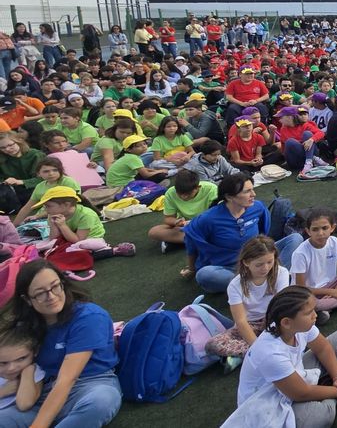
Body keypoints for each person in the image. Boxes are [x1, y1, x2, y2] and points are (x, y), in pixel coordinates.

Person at [0, 260, 122, 426]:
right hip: (43, 390)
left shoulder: (88, 317)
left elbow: (67, 380)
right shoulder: (27, 323)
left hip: (90, 385)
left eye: (55, 286)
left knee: (101, 402)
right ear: (27, 299)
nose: (51, 296)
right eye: (40, 293)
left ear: (62, 284)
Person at [231, 286, 337, 427]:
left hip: (293, 378)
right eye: (309, 312)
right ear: (286, 322)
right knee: (323, 415)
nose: (315, 315)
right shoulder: (270, 354)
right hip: (268, 403)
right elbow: (301, 393)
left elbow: (323, 348)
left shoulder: (296, 327)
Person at [183, 172, 302, 293]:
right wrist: (192, 269)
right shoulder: (208, 218)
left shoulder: (258, 207)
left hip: (260, 260)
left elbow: (263, 234)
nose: (253, 194)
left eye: (252, 189)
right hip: (230, 268)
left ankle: (264, 280)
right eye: (247, 191)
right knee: (204, 275)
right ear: (229, 197)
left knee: (295, 238)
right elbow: (191, 240)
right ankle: (266, 281)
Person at [204, 236, 290, 367]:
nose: (265, 268)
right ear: (246, 262)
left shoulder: (281, 273)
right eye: (259, 264)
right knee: (212, 344)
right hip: (251, 324)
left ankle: (245, 354)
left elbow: (282, 305)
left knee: (293, 323)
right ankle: (259, 350)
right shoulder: (235, 285)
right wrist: (257, 347)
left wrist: (274, 325)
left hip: (273, 318)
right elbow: (241, 321)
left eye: (270, 262)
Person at [148, 168, 217, 257]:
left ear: (197, 188)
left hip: (206, 224)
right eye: (179, 193)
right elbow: (168, 218)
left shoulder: (211, 189)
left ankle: (181, 242)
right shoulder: (170, 193)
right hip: (186, 226)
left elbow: (216, 216)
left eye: (188, 194)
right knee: (154, 232)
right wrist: (176, 222)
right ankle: (197, 241)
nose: (183, 197)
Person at [0, 325, 44, 414]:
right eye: (3, 363)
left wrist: (27, 373)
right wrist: (3, 391)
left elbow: (24, 404)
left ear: (35, 352)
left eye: (21, 359)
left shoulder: (33, 373)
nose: (12, 368)